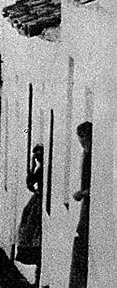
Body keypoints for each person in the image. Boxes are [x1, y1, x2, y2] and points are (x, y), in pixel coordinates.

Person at [69, 122, 92, 288]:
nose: (83, 146)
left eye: (84, 141)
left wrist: (82, 193)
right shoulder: (87, 155)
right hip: (86, 205)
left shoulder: (94, 157)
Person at [16, 145, 43, 267]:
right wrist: (31, 167)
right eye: (36, 156)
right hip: (38, 198)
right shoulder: (39, 169)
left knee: (33, 224)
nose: (38, 158)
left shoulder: (43, 169)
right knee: (28, 218)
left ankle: (33, 252)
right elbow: (30, 184)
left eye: (39, 156)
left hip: (40, 199)